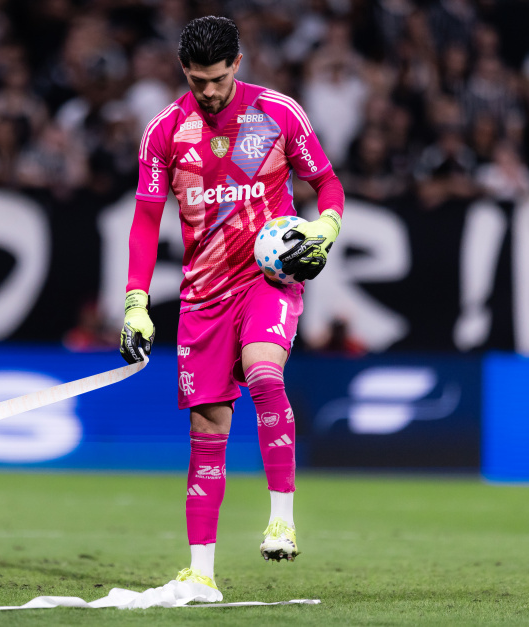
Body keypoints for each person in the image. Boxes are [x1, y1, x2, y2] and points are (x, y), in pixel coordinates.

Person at [119, 16, 345, 597]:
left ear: (237, 64)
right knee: (206, 428)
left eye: (218, 79)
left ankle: (282, 520)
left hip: (268, 278)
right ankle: (201, 573)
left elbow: (327, 182)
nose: (210, 91)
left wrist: (325, 227)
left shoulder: (278, 113)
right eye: (198, 81)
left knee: (267, 373)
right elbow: (146, 221)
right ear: (184, 72)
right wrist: (137, 301)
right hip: (202, 296)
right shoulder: (165, 132)